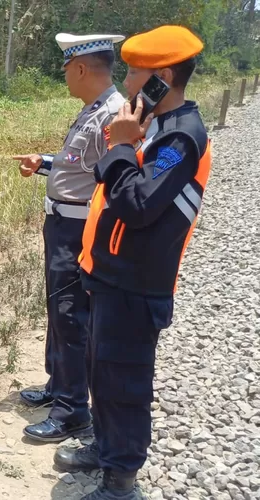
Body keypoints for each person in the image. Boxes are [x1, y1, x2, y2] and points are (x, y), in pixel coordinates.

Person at [53, 26, 211, 500]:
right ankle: (105, 445)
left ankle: (121, 479)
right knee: (101, 369)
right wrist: (124, 142)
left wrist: (122, 143)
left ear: (161, 76)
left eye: (134, 72)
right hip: (110, 275)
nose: (126, 81)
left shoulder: (181, 137)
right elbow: (111, 181)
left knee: (124, 380)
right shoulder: (153, 123)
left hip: (137, 284)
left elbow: (138, 205)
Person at [13, 33, 126, 443]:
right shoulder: (92, 111)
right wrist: (44, 162)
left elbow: (115, 180)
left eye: (66, 69)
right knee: (57, 310)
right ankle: (59, 384)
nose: (65, 77)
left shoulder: (113, 116)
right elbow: (81, 165)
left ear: (80, 68)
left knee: (71, 314)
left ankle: (73, 410)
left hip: (80, 229)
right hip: (62, 225)